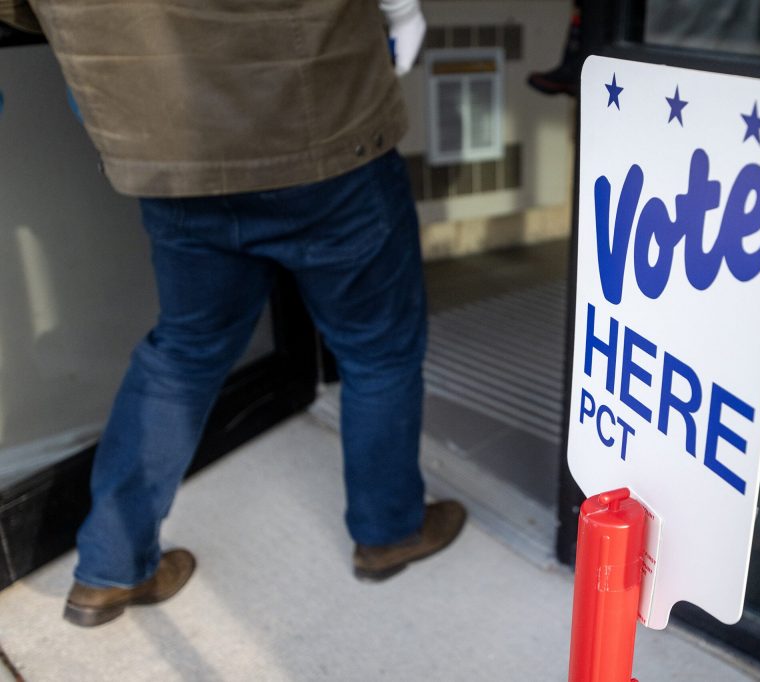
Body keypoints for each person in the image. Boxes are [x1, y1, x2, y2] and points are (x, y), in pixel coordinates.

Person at [0, 0, 466, 627]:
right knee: (378, 348)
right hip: (326, 139)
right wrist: (403, 10)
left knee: (184, 355)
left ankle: (110, 569)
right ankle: (389, 532)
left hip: (173, 156)